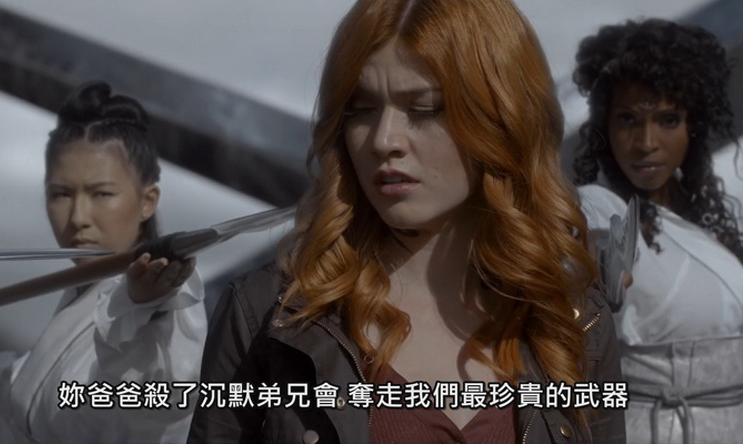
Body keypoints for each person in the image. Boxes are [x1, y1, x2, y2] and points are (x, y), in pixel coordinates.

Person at [188, 0, 625, 443]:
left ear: (501, 120)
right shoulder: (269, 314)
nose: (383, 140)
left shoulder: (573, 321)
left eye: (423, 108)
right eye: (361, 109)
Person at [0, 81, 207, 443]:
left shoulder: (169, 298)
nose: (78, 217)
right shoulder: (85, 292)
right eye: (61, 194)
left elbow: (147, 407)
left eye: (102, 194)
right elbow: (21, 410)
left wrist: (138, 306)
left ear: (148, 201)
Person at [572, 18, 743, 444]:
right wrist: (585, 271)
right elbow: (589, 256)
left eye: (667, 120)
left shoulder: (707, 218)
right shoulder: (598, 206)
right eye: (628, 120)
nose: (646, 142)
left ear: (692, 126)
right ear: (605, 127)